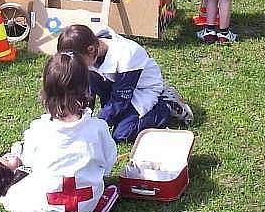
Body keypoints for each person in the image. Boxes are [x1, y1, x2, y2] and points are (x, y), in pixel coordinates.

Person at [0, 51, 118, 212]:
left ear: (45, 90)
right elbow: (108, 164)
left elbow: (28, 162)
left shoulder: (39, 130)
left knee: (9, 195)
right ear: (87, 89)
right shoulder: (98, 128)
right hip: (87, 203)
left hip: (51, 208)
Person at [57, 24, 193, 143]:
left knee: (122, 134)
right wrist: (78, 119)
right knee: (107, 120)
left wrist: (96, 126)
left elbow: (120, 99)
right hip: (113, 83)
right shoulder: (87, 51)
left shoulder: (126, 54)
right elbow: (85, 90)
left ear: (91, 49)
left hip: (141, 89)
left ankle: (166, 104)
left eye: (78, 63)